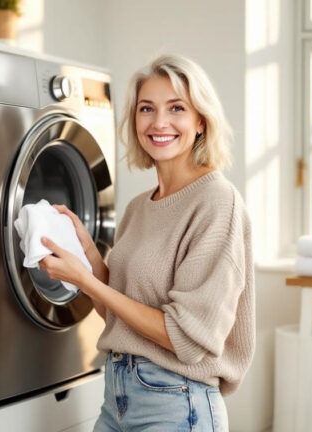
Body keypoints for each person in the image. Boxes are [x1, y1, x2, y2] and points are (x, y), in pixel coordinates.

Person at [38, 54, 255, 432]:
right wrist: (88, 253)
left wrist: (86, 280)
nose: (159, 123)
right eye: (146, 109)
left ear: (200, 120)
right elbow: (116, 314)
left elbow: (186, 339)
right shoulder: (140, 207)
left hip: (178, 402)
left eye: (176, 108)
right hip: (117, 396)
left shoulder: (218, 202)